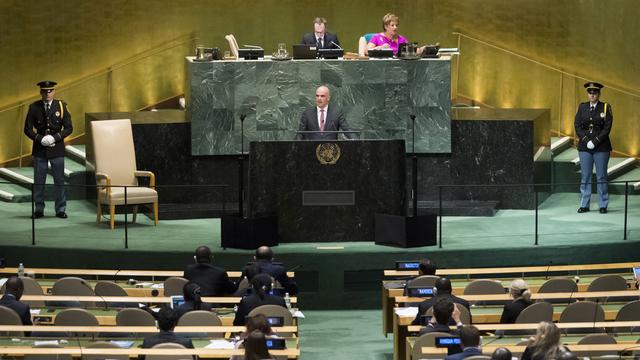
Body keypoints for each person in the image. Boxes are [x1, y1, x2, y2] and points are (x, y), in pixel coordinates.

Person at [23, 80, 73, 219]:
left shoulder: (61, 106)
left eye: (50, 90)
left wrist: (55, 137)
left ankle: (60, 209)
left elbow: (69, 128)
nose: (47, 93)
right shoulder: (34, 107)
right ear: (41, 92)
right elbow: (27, 129)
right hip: (40, 149)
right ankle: (39, 209)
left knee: (59, 180)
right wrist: (39, 139)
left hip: (56, 148)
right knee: (39, 181)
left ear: (54, 91)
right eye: (45, 91)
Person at [574, 81, 613, 214]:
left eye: (594, 92)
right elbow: (577, 125)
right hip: (585, 147)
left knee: (601, 176)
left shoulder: (605, 107)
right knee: (585, 176)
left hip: (601, 147)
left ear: (599, 94)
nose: (592, 95)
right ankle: (584, 204)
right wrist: (585, 140)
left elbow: (607, 127)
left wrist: (595, 141)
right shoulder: (582, 107)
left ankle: (603, 204)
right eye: (590, 93)